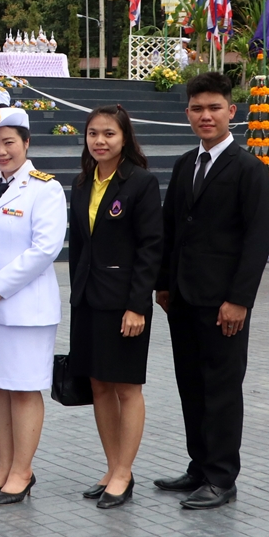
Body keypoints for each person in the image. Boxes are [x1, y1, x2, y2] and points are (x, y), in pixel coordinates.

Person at [154, 72, 269, 509]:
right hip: (183, 299)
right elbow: (170, 228)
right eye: (198, 108)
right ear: (188, 113)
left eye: (214, 108)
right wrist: (163, 283)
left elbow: (257, 242)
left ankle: (222, 478)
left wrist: (239, 300)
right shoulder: (186, 163)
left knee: (221, 389)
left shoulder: (249, 169)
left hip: (224, 303)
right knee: (191, 385)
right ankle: (199, 467)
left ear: (231, 112)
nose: (206, 116)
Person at [0, 107, 66, 507]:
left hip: (26, 310)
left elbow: (45, 249)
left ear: (26, 143)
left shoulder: (45, 189)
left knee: (22, 389)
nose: (0, 152)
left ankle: (23, 470)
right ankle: (4, 467)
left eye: (8, 143)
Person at [67, 106, 162, 509]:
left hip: (124, 303)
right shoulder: (82, 182)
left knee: (126, 386)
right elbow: (79, 246)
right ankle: (112, 468)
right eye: (93, 133)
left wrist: (137, 305)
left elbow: (150, 248)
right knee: (99, 385)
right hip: (88, 299)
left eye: (109, 134)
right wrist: (75, 295)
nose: (100, 141)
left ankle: (124, 472)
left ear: (125, 138)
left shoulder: (141, 182)